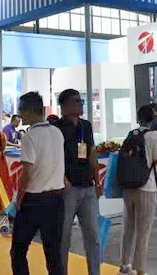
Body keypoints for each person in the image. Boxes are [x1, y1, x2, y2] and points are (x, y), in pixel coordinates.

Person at [11, 92, 65, 275]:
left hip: (33, 201)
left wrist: (19, 199)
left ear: (29, 110)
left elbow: (27, 173)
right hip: (56, 199)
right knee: (53, 253)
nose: (20, 114)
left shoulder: (30, 136)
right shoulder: (57, 133)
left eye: (21, 110)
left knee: (18, 250)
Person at [55, 89, 101, 275]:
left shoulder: (86, 126)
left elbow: (91, 153)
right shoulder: (57, 128)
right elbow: (54, 156)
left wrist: (97, 181)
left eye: (80, 100)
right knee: (64, 236)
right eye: (76, 101)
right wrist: (63, 179)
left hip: (87, 186)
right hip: (68, 188)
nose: (80, 104)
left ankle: (95, 272)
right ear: (64, 105)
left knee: (93, 235)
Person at [119, 106, 157, 275]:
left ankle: (125, 265)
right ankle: (140, 269)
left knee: (128, 227)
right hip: (147, 187)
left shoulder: (131, 134)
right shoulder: (154, 136)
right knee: (143, 230)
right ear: (153, 119)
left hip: (128, 187)